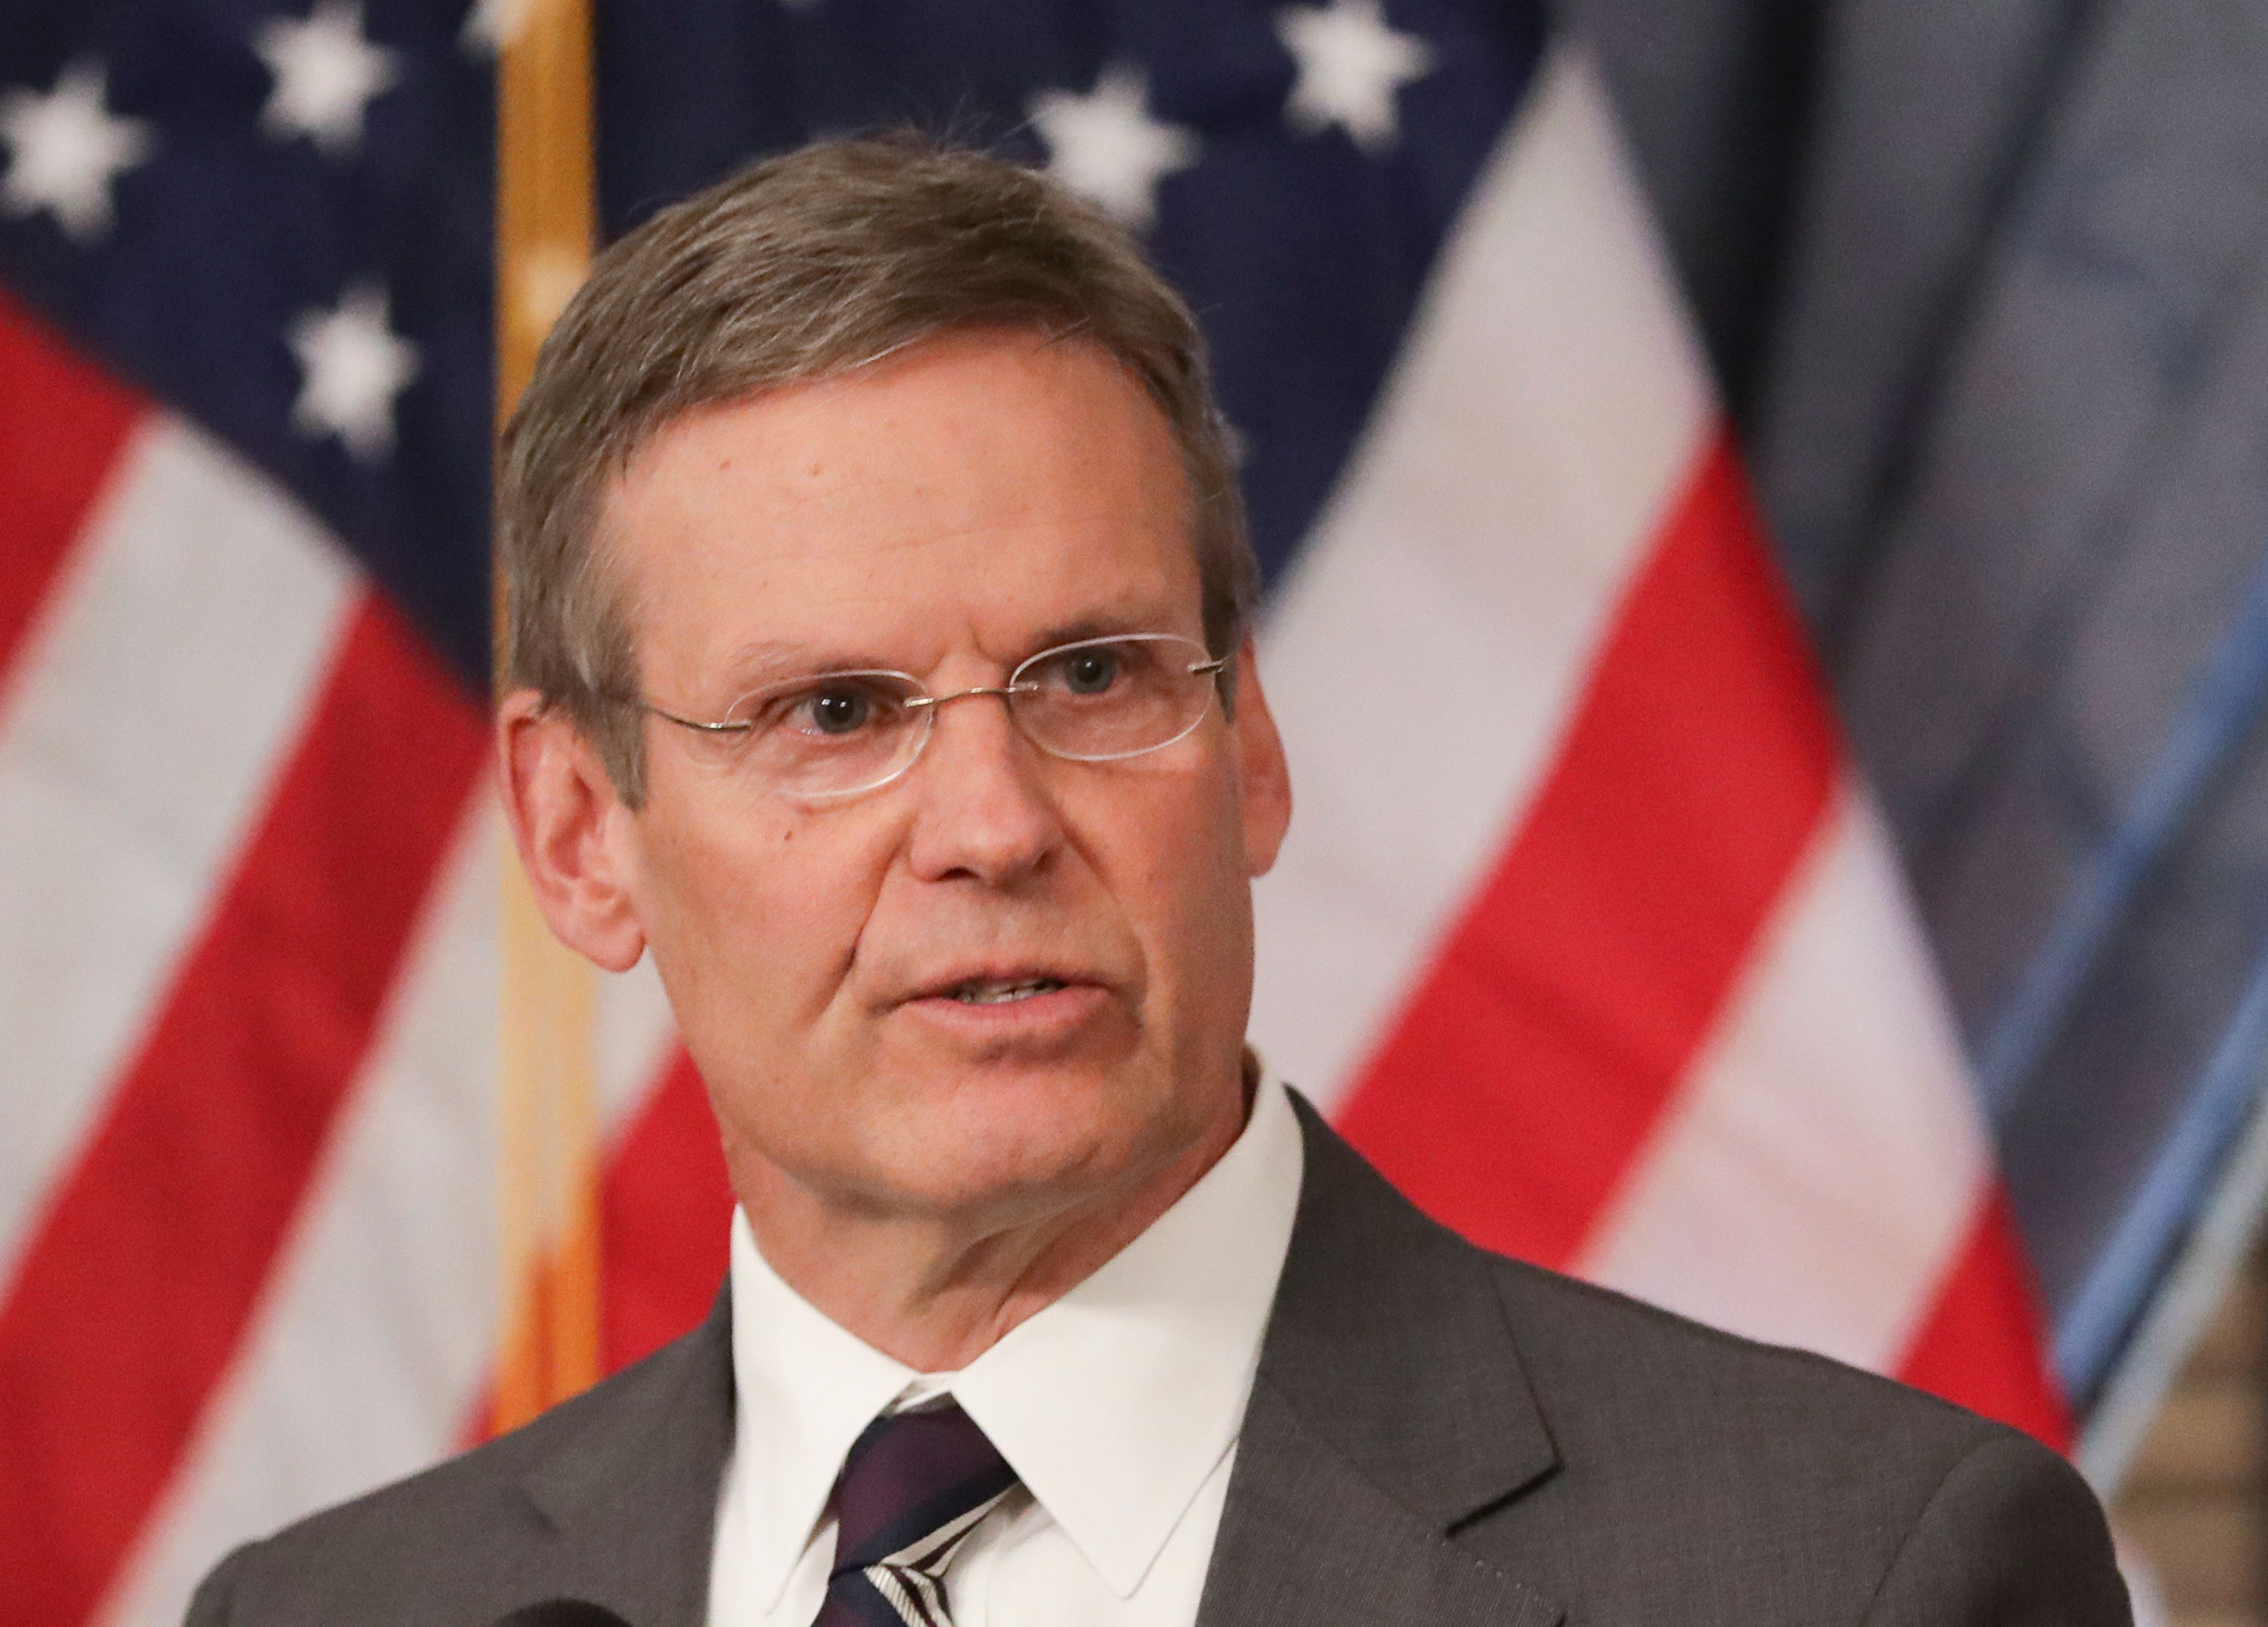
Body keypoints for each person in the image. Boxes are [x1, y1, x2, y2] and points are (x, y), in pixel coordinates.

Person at [185, 137, 2131, 1627]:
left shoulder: (1854, 1575)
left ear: (1251, 745)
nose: (992, 821)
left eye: (1093, 675)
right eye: (836, 710)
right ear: (579, 835)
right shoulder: (333, 1612)